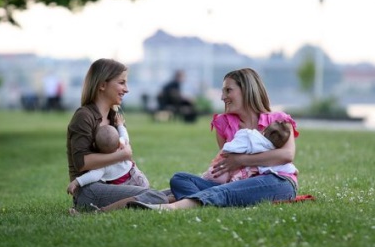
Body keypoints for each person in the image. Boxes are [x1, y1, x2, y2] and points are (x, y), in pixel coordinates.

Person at [127, 67, 300, 210]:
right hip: (235, 184)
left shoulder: (279, 120)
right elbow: (227, 167)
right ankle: (207, 202)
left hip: (277, 181)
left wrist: (241, 160)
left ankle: (173, 208)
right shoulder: (223, 123)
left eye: (228, 90)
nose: (222, 97)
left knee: (225, 191)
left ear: (246, 90)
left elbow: (286, 155)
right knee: (180, 179)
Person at [66, 58, 169, 213]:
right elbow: (81, 162)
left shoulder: (115, 117)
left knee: (172, 191)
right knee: (156, 197)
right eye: (121, 83)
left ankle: (184, 200)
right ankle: (97, 212)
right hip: (89, 189)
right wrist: (123, 155)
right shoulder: (84, 116)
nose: (126, 89)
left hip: (114, 185)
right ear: (102, 85)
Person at [66, 113, 149, 196]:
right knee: (145, 193)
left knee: (131, 198)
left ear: (94, 145)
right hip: (138, 177)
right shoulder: (122, 146)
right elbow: (125, 135)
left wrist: (76, 182)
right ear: (118, 142)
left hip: (125, 187)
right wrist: (120, 125)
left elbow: (92, 176)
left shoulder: (103, 164)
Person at [202, 120, 297, 184]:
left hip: (221, 170)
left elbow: (230, 147)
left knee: (210, 177)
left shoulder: (250, 135)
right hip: (241, 177)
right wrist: (294, 170)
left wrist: (237, 157)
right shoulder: (272, 152)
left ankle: (203, 180)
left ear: (263, 131)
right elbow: (284, 166)